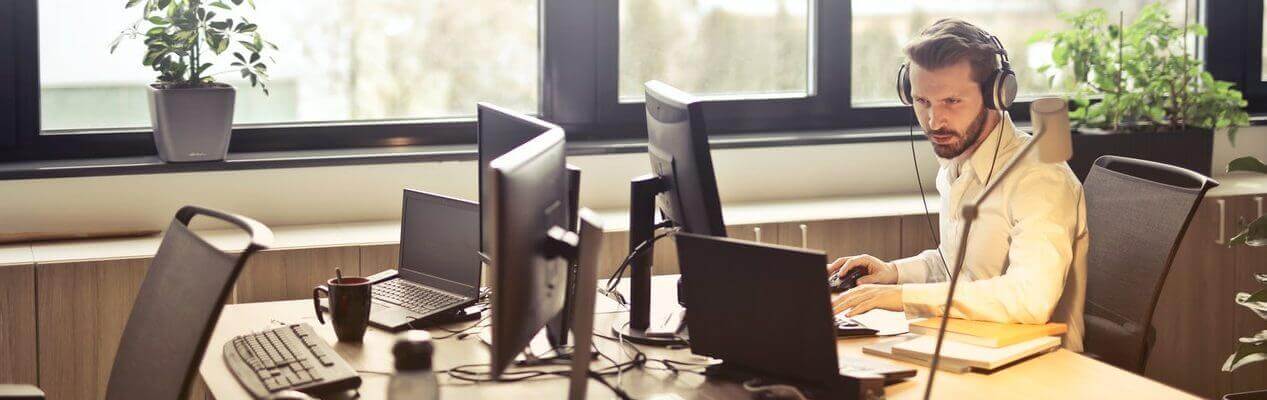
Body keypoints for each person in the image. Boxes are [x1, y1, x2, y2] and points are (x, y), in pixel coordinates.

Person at [828, 18, 1089, 351]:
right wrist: (893, 273)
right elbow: (955, 268)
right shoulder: (956, 165)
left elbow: (1030, 299)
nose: (934, 121)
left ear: (996, 95)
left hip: (1038, 363)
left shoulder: (1040, 177)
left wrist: (901, 296)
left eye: (951, 101)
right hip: (967, 344)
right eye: (922, 101)